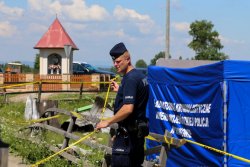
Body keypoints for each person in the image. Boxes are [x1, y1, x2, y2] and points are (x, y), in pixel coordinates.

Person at [96, 42, 149, 167]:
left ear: (128, 59)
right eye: (114, 62)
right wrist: (121, 90)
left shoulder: (130, 79)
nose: (115, 64)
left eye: (118, 61)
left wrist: (107, 122)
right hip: (137, 138)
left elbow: (128, 109)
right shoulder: (140, 76)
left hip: (127, 140)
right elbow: (138, 100)